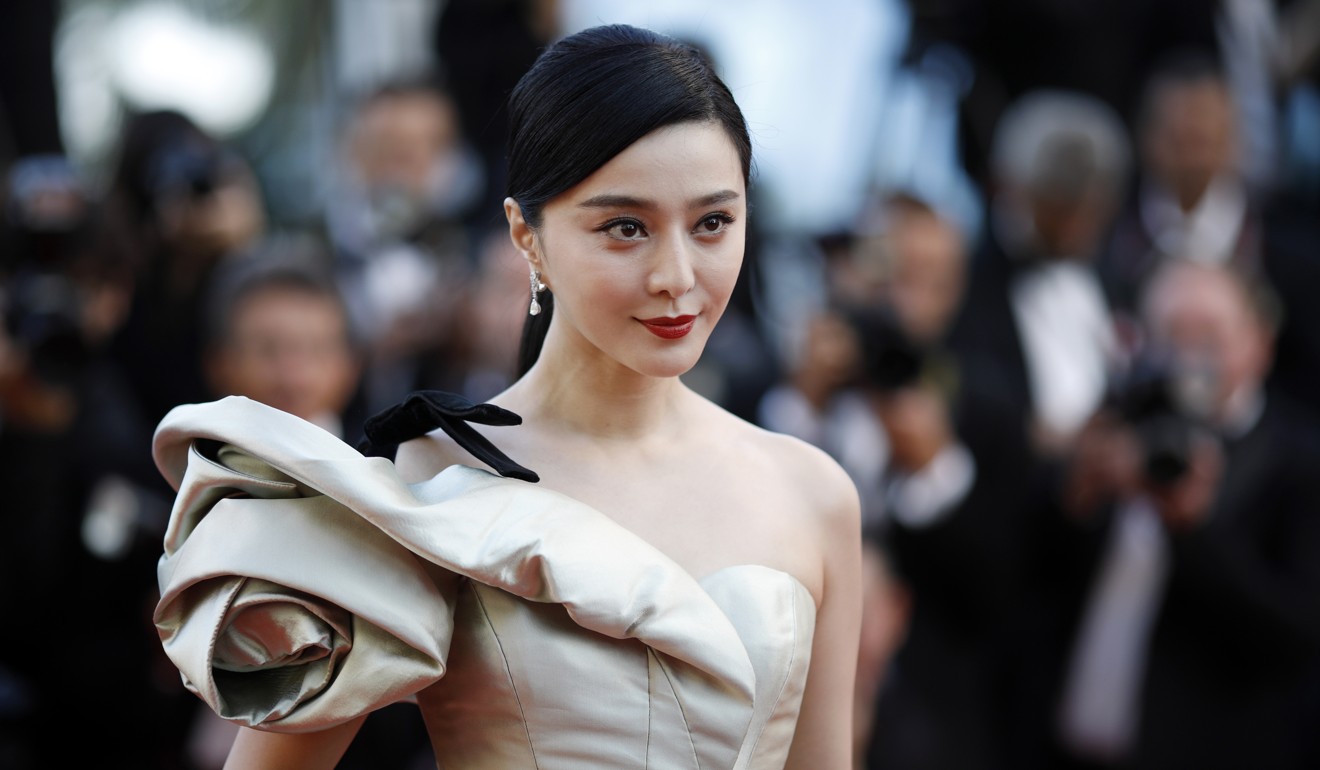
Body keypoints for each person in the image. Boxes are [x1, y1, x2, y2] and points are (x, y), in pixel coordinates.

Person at [150, 23, 862, 770]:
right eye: (626, 227)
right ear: (526, 236)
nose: (678, 276)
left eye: (713, 222)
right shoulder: (427, 488)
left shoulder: (813, 494)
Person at [1040, 261, 1320, 770]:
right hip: (1061, 747)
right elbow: (1031, 582)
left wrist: (1194, 527)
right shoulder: (1112, 426)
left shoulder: (1297, 464)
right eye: (1170, 334)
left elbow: (1295, 636)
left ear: (1259, 343)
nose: (1187, 358)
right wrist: (1076, 492)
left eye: (1208, 335)